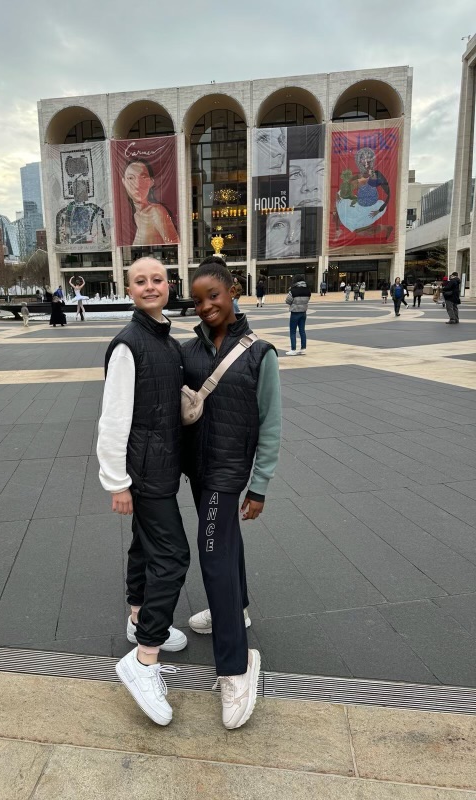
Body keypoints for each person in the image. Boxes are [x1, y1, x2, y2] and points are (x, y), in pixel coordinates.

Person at [182, 256, 281, 729]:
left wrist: (259, 486)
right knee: (225, 542)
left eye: (213, 296)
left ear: (233, 290)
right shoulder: (189, 351)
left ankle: (237, 667)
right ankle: (235, 611)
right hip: (198, 471)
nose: (205, 306)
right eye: (197, 300)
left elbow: (271, 425)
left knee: (212, 555)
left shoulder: (260, 354)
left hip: (228, 472)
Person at [99, 257, 189, 727]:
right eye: (140, 281)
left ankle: (139, 618)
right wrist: (116, 481)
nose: (150, 286)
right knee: (173, 556)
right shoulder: (128, 345)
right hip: (145, 471)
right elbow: (113, 418)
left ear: (168, 285)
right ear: (129, 289)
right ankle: (145, 657)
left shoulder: (166, 341)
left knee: (146, 544)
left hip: (160, 466)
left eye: (157, 279)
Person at [122, 159, 179, 246]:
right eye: (130, 178)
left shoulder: (156, 211)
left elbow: (174, 243)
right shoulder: (133, 216)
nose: (137, 184)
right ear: (124, 182)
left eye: (143, 177)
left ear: (151, 182)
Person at [285, 273, 311, 356]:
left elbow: (287, 301)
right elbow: (308, 300)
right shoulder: (308, 290)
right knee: (302, 330)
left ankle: (293, 349)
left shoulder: (293, 290)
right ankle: (303, 348)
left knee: (293, 331)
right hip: (303, 312)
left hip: (295, 312)